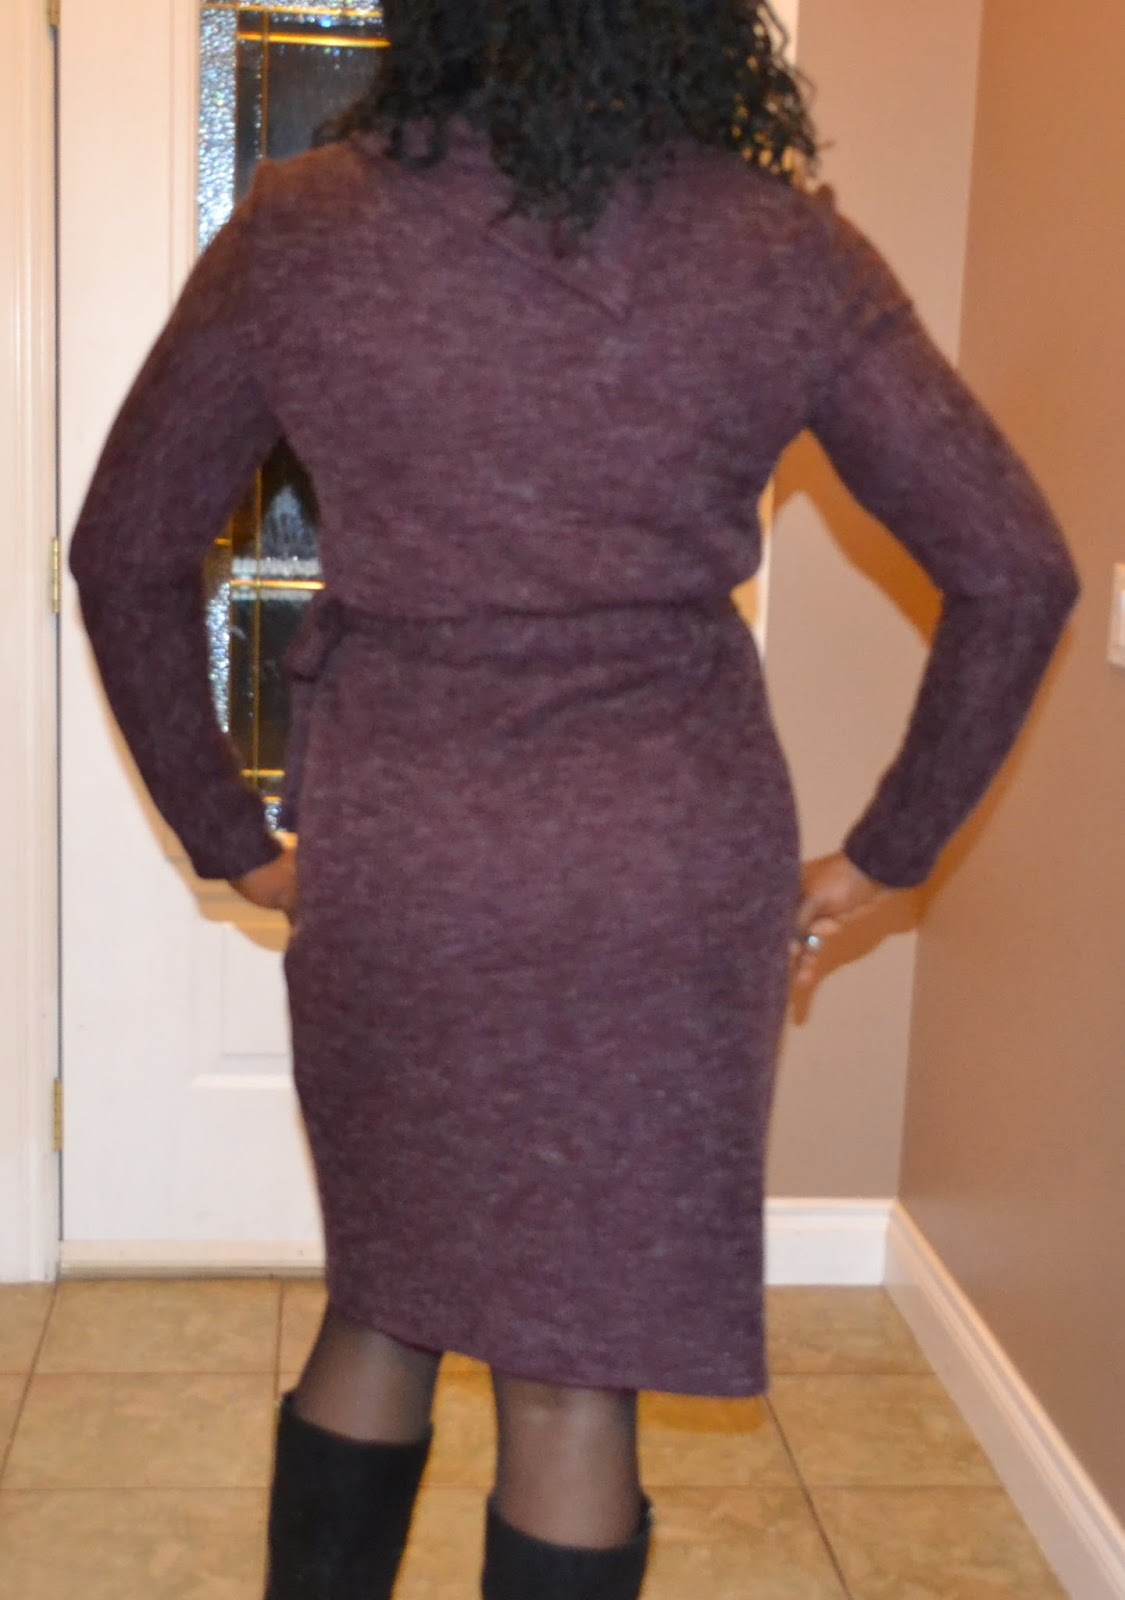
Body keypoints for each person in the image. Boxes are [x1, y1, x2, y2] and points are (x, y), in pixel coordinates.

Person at [67, 3, 1080, 1597]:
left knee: (384, 1301)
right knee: (571, 1376)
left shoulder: (306, 226)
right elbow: (1016, 570)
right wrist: (887, 853)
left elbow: (123, 553)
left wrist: (232, 841)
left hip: (405, 858)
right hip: (662, 874)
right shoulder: (776, 247)